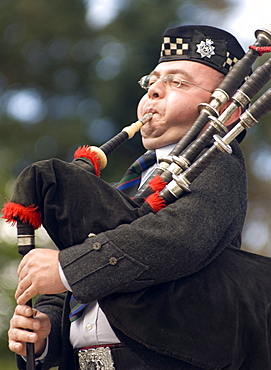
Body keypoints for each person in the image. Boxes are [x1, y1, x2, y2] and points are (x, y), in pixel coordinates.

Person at [7, 24, 270, 369]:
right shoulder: (130, 184)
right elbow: (84, 285)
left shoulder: (219, 160)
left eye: (177, 82)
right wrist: (43, 334)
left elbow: (179, 239)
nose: (155, 91)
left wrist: (68, 269)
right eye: (152, 81)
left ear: (228, 111)